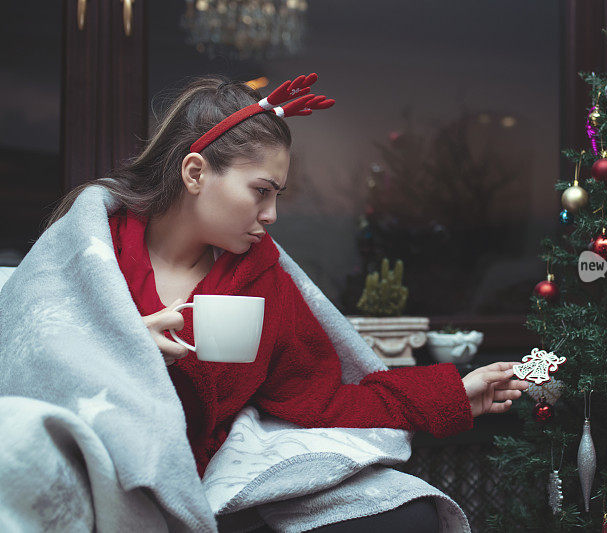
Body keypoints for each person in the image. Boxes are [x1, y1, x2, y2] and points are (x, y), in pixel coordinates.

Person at [45, 73, 531, 531]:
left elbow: (323, 398)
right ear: (195, 173)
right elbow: (25, 358)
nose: (272, 214)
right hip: (86, 485)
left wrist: (452, 395)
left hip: (209, 495)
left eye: (277, 195)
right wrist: (122, 344)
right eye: (260, 191)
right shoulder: (92, 250)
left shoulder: (262, 281)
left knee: (405, 518)